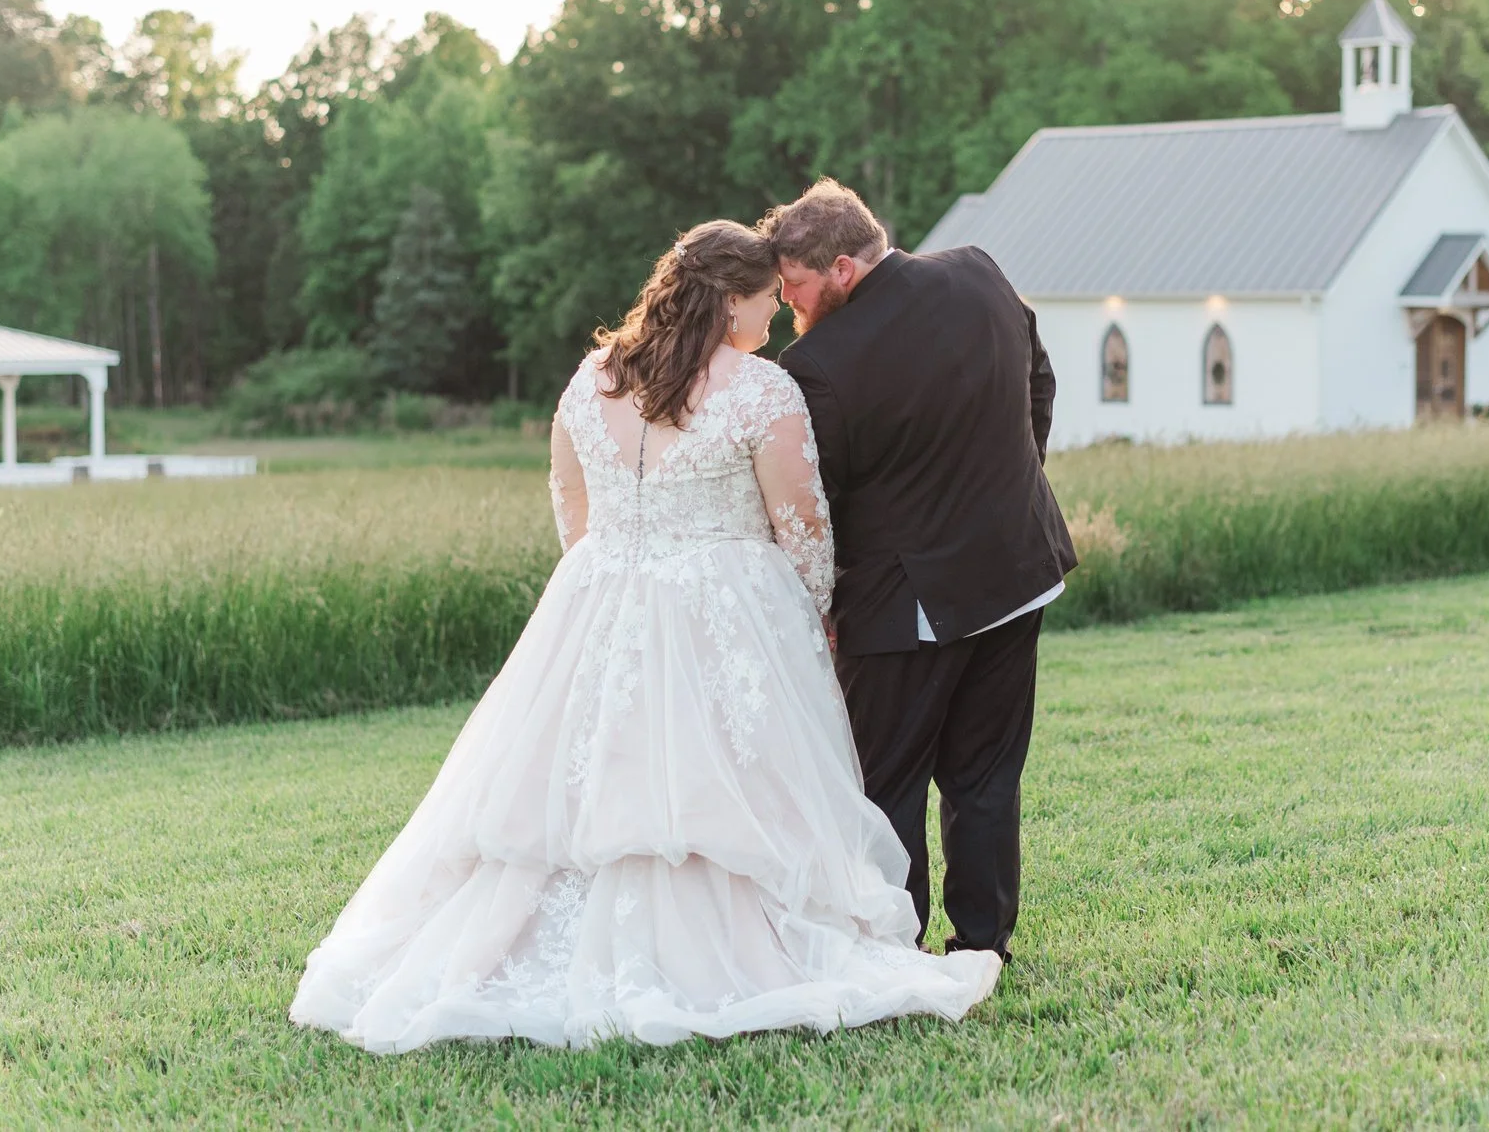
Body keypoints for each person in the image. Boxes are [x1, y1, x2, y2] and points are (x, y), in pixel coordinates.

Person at [290, 220, 1000, 1052]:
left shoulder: (592, 378)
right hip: (727, 605)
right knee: (721, 779)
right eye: (768, 298)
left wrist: (615, 584)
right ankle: (731, 951)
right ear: (733, 296)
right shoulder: (762, 389)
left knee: (588, 782)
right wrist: (809, 623)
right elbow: (802, 526)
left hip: (600, 600)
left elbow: (570, 502)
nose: (773, 316)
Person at [766, 180, 1076, 964]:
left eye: (794, 288)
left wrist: (827, 600)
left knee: (889, 783)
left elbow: (818, 503)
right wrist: (1003, 491)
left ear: (840, 269)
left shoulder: (817, 363)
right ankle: (983, 944)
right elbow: (1039, 384)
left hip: (906, 606)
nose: (786, 308)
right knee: (985, 776)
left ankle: (893, 950)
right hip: (1018, 569)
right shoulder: (979, 270)